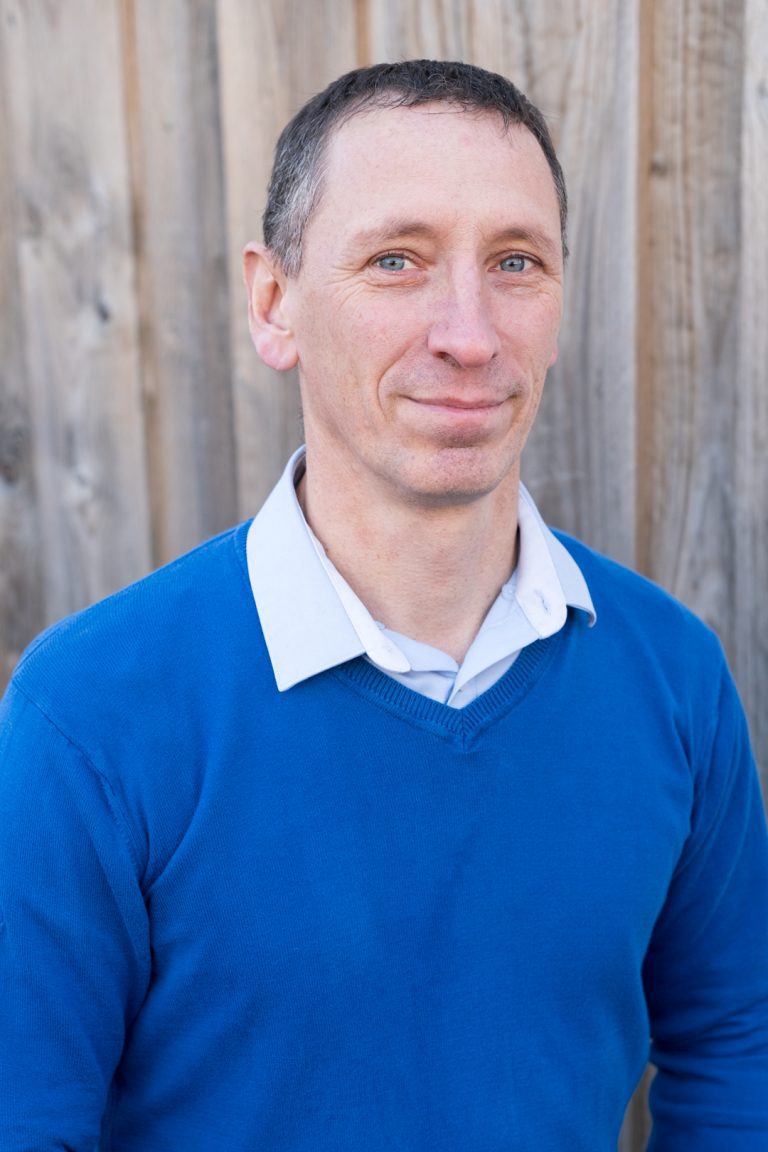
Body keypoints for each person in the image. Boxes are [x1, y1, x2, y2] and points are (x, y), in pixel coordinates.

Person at [0, 59, 766, 1151]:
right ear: (276, 304)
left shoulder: (672, 678)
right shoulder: (93, 713)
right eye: (396, 260)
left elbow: (736, 1043)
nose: (469, 332)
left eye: (515, 262)